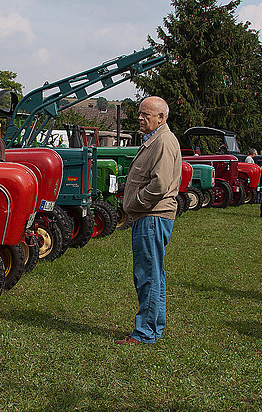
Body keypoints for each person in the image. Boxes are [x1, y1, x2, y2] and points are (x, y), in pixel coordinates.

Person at [117, 96, 181, 346]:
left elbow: (160, 184)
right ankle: (152, 328)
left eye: (146, 114)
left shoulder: (163, 141)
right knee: (153, 273)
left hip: (152, 216)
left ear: (161, 118)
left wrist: (136, 203)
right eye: (140, 114)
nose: (140, 118)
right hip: (150, 217)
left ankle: (145, 333)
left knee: (148, 275)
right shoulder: (156, 139)